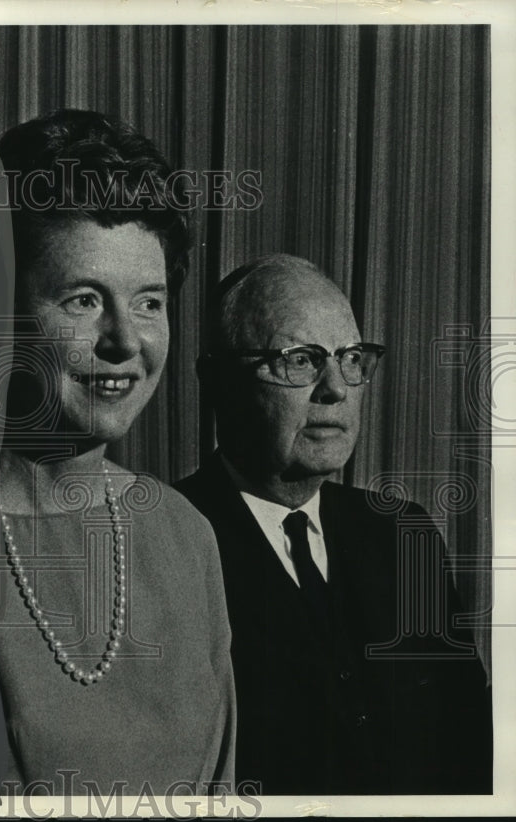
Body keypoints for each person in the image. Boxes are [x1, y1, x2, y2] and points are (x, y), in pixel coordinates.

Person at [175, 253, 492, 794]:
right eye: (299, 359)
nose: (336, 389)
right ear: (217, 379)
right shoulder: (169, 542)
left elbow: (472, 746)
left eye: (350, 358)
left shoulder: (403, 535)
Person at [0, 110, 235, 795]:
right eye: (83, 300)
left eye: (149, 302)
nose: (124, 340)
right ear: (1, 307)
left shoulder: (185, 534)